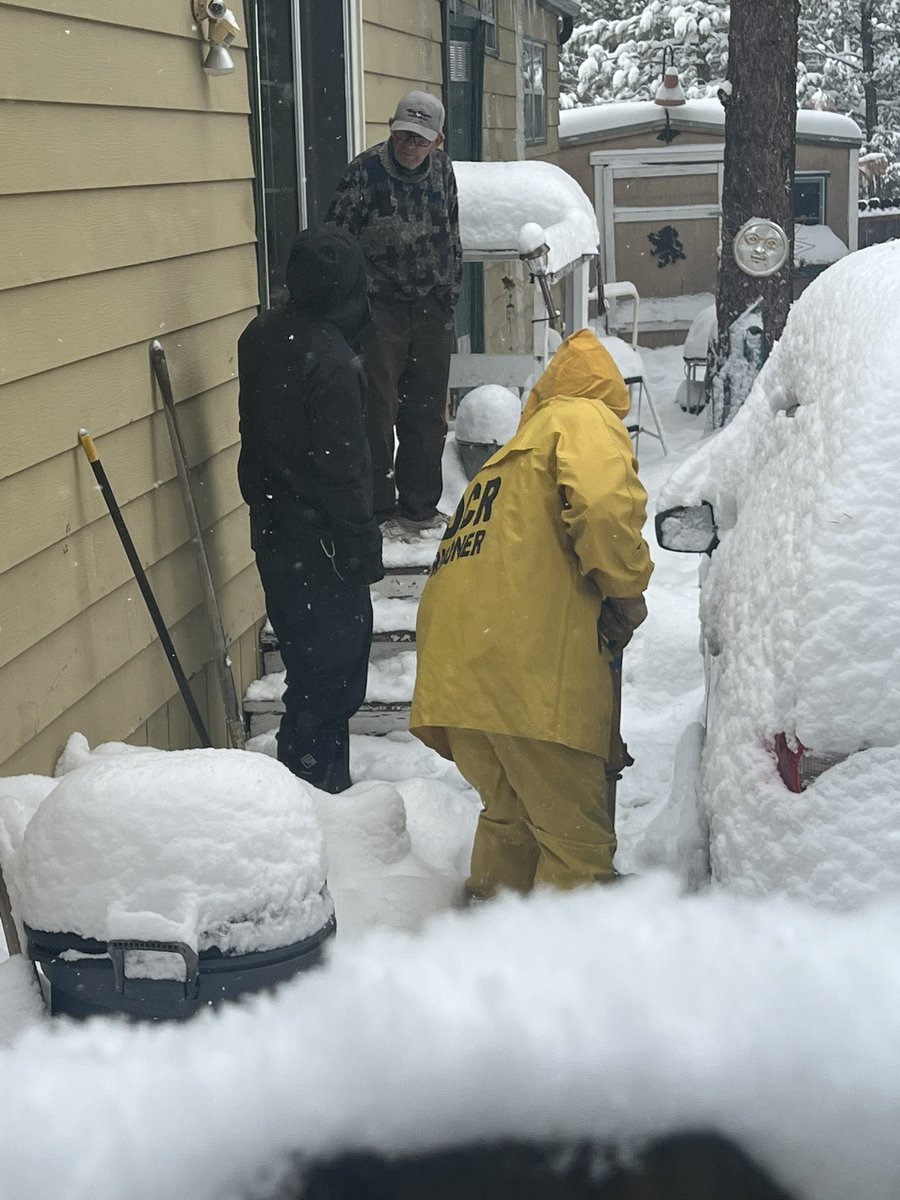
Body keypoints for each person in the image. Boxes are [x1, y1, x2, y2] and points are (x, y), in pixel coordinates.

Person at [410, 329, 653, 897]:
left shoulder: (506, 459)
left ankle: (490, 948)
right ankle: (571, 972)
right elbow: (603, 504)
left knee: (511, 822)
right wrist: (627, 593)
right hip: (528, 678)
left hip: (460, 677)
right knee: (575, 848)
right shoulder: (584, 419)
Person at [237, 226, 383, 794]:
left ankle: (302, 789)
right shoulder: (331, 360)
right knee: (333, 682)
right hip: (320, 543)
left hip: (274, 531)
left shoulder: (261, 335)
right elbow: (341, 469)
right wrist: (362, 544)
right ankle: (315, 795)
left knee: (306, 671)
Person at [326, 90, 463, 534]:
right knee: (376, 412)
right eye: (403, 135)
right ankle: (380, 511)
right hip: (378, 309)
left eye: (420, 139)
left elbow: (452, 231)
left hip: (431, 307)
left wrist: (449, 293)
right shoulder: (364, 173)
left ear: (437, 141)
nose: (410, 145)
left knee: (426, 413)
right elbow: (337, 244)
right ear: (391, 128)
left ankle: (420, 508)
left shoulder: (443, 171)